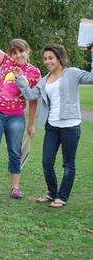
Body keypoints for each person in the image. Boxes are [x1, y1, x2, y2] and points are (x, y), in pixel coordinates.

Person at [14, 44, 93, 208]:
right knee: (47, 161)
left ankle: (62, 197)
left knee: (68, 164)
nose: (47, 61)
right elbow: (30, 95)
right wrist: (20, 78)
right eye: (45, 58)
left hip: (71, 126)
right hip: (52, 126)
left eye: (51, 58)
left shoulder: (72, 73)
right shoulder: (44, 80)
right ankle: (51, 193)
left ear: (59, 58)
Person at [0, 8, 41, 201]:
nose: (18, 55)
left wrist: (31, 124)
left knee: (15, 152)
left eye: (21, 51)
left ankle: (15, 187)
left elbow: (33, 100)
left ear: (28, 51)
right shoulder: (6, 62)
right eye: (14, 52)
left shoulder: (34, 73)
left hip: (16, 116)